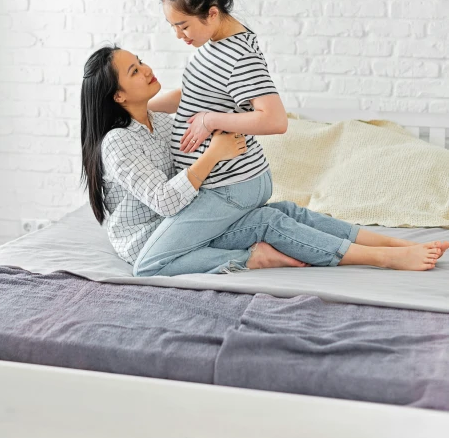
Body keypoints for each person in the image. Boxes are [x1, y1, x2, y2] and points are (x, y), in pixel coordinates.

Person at [80, 45, 448, 276]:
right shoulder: (117, 143)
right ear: (117, 96)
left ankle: (393, 245)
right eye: (134, 71)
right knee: (266, 221)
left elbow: (187, 101)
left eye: (140, 61)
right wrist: (214, 155)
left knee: (285, 210)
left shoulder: (156, 121)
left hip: (179, 222)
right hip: (150, 241)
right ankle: (377, 260)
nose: (146, 69)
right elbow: (164, 200)